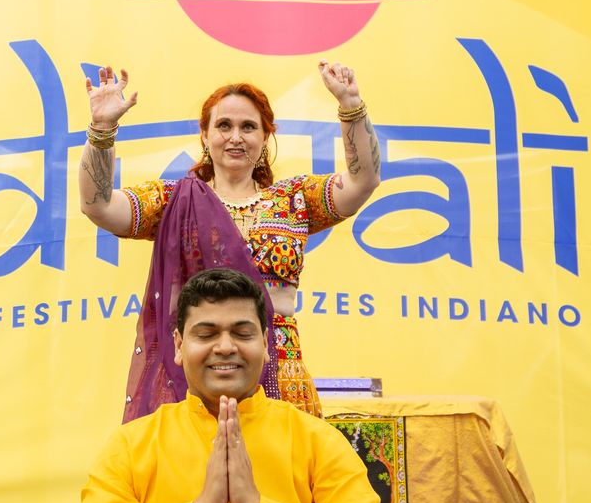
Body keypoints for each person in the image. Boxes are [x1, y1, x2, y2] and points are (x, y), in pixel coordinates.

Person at [51, 268, 407, 503]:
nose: (225, 347)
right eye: (206, 334)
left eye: (242, 332)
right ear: (178, 345)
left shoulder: (315, 440)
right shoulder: (133, 444)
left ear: (266, 343)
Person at [78, 61, 380, 420]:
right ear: (205, 135)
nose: (236, 137)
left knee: (281, 474)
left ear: (265, 136)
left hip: (279, 375)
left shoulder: (293, 199)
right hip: (198, 377)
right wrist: (102, 127)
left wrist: (351, 105)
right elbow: (98, 205)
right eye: (224, 126)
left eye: (248, 127)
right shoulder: (174, 201)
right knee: (193, 474)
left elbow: (363, 182)